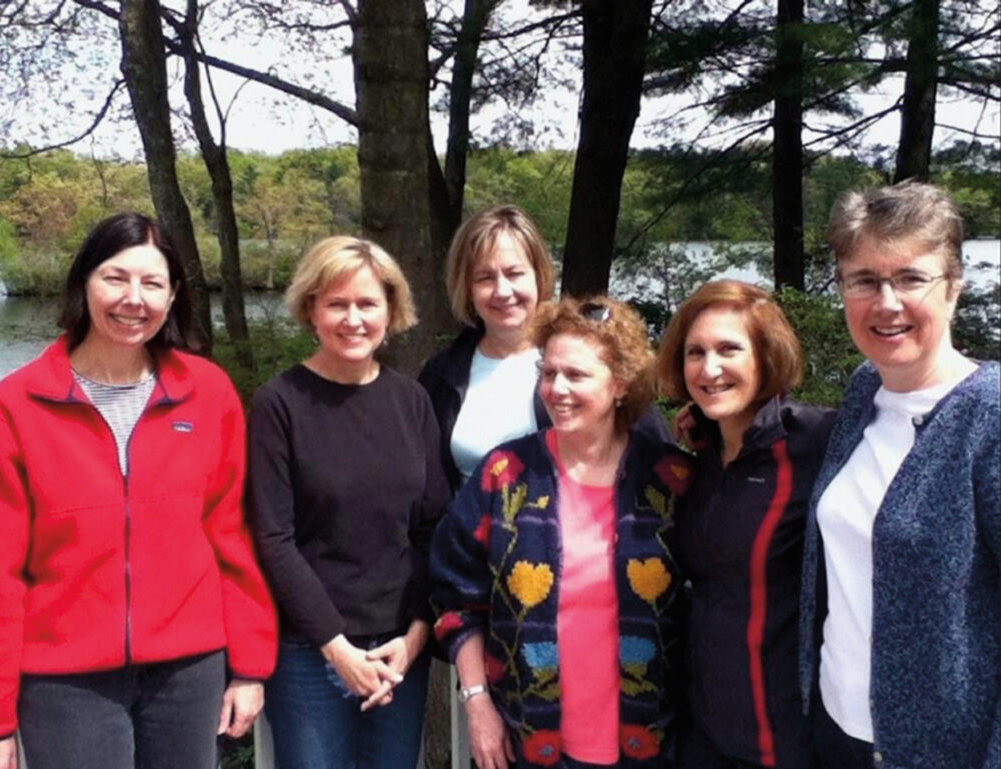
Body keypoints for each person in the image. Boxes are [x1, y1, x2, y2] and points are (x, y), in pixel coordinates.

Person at [0, 212, 278, 769]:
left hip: (189, 671)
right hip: (64, 679)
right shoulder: (15, 407)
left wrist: (251, 666)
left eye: (152, 283)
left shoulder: (206, 394)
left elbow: (233, 538)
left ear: (173, 295)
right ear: (84, 282)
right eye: (115, 278)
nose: (132, 299)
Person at [430, 297, 692, 769]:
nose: (558, 389)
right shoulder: (505, 475)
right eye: (548, 373)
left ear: (620, 385)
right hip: (526, 740)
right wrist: (477, 703)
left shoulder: (669, 480)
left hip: (651, 743)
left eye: (576, 375)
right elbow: (454, 598)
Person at [798, 181, 1000, 769]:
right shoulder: (865, 392)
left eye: (911, 278)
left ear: (954, 289)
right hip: (836, 734)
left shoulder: (988, 418)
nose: (885, 302)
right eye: (863, 280)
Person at [248, 236, 451, 769]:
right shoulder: (279, 405)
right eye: (337, 303)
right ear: (311, 309)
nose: (353, 319)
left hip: (398, 651)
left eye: (367, 303)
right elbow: (273, 537)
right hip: (309, 655)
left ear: (391, 309)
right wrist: (336, 649)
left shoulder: (411, 400)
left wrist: (415, 636)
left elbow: (433, 528)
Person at [655, 281, 835, 769]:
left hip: (788, 740)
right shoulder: (704, 458)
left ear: (766, 355)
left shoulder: (820, 443)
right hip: (702, 732)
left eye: (728, 349)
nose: (709, 369)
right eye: (695, 352)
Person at [418, 204, 556, 494]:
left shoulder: (582, 361)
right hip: (466, 537)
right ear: (466, 288)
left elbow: (648, 453)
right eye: (485, 278)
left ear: (538, 275)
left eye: (514, 273)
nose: (502, 291)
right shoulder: (442, 375)